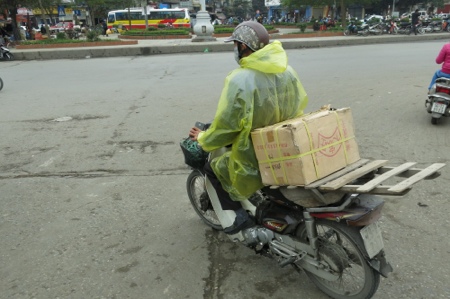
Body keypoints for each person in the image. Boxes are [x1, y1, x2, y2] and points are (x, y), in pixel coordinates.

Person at [188, 21, 308, 234]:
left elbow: (227, 127)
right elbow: (298, 106)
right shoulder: (287, 71)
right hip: (284, 142)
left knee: (212, 168)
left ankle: (237, 222)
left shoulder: (240, 79)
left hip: (255, 153)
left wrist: (204, 138)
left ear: (243, 46)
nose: (234, 49)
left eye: (235, 44)